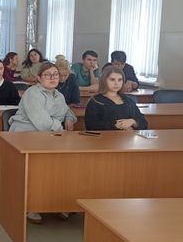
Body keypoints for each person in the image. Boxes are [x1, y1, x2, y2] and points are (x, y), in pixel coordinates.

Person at [9, 62, 77, 224]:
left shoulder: (58, 95)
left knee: (67, 163)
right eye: (47, 75)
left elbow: (66, 110)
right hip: (26, 134)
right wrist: (60, 126)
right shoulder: (33, 93)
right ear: (39, 78)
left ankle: (58, 202)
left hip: (50, 135)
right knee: (41, 165)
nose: (53, 78)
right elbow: (43, 123)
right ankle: (33, 205)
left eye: (56, 74)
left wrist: (69, 117)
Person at [85, 65, 148, 131]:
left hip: (128, 136)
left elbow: (144, 123)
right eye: (112, 80)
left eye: (120, 80)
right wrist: (115, 125)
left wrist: (133, 121)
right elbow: (90, 125)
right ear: (104, 80)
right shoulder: (95, 101)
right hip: (106, 137)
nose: (116, 83)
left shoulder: (128, 100)